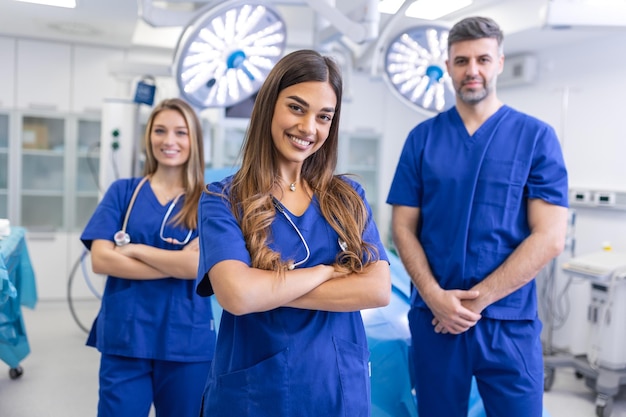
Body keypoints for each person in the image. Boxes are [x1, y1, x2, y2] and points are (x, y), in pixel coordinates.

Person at [386, 16, 569, 417]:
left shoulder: (536, 138)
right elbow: (402, 227)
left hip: (508, 321)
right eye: (462, 60)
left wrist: (473, 303)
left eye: (483, 59)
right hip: (435, 319)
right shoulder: (422, 139)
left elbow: (550, 237)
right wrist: (435, 298)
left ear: (500, 62)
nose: (473, 70)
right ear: (448, 66)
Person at [196, 49, 391, 417]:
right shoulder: (222, 200)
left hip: (336, 389)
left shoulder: (347, 198)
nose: (308, 128)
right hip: (256, 395)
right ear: (269, 105)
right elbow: (237, 296)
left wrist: (267, 289)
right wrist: (325, 271)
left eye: (324, 117)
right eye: (296, 108)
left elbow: (376, 289)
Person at [80, 98, 215, 417]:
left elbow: (196, 268)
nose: (169, 141)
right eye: (160, 131)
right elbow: (101, 260)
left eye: (181, 132)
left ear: (194, 139)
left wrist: (134, 249)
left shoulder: (210, 201)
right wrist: (175, 263)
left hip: (186, 341)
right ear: (148, 137)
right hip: (127, 337)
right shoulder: (123, 192)